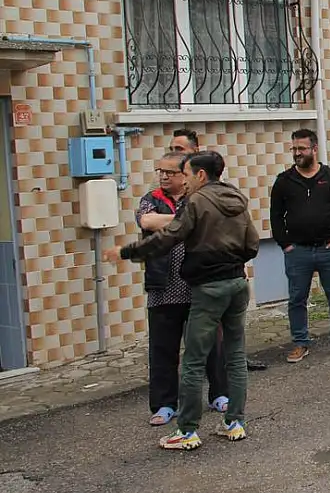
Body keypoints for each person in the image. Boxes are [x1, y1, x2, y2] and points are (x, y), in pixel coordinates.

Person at [106, 150, 259, 451]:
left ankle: (187, 431)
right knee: (235, 355)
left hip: (209, 288)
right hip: (237, 284)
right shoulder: (237, 199)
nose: (184, 181)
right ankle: (234, 423)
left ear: (201, 175)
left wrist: (126, 252)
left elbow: (168, 237)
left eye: (187, 174)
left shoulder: (198, 201)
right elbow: (252, 243)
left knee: (192, 361)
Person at [138, 152, 229, 426]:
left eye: (171, 172)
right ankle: (165, 404)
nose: (164, 177)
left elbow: (210, 221)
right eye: (160, 171)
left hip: (198, 284)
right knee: (163, 348)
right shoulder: (150, 199)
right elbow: (146, 222)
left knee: (210, 343)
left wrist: (171, 221)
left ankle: (219, 393)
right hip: (163, 287)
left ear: (185, 174)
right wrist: (185, 221)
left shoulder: (198, 197)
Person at [170, 128, 267, 371]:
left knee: (220, 334)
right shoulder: (168, 187)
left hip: (214, 274)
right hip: (184, 273)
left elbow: (239, 234)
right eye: (172, 150)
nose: (175, 154)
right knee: (195, 335)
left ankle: (221, 378)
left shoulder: (210, 191)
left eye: (179, 150)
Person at [270, 128, 330, 364]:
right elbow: (276, 216)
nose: (297, 153)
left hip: (328, 249)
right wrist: (285, 244)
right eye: (294, 149)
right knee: (297, 299)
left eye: (302, 148)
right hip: (297, 251)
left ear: (315, 149)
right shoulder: (284, 181)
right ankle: (300, 343)